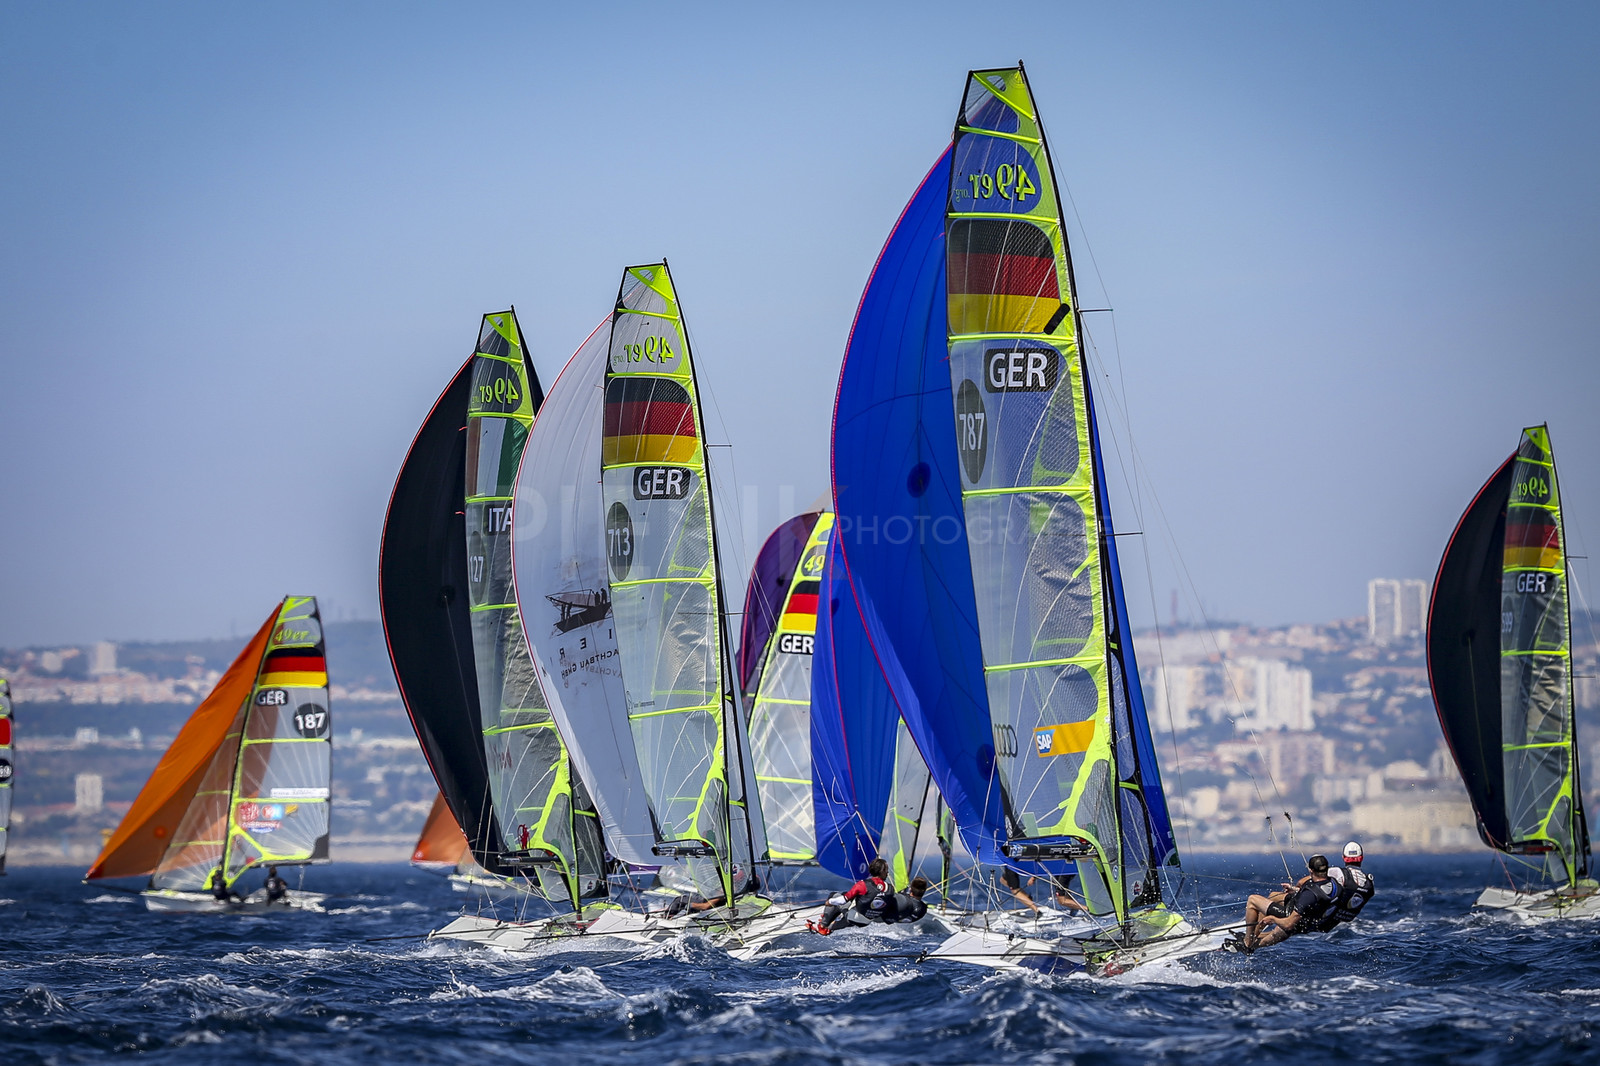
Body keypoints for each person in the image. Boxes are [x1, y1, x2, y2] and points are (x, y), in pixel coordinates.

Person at [1238, 854, 1338, 953]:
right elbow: (1317, 896)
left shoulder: (1309, 895)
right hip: (1311, 917)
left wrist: (1273, 919)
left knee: (1252, 900)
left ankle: (1247, 943)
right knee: (1275, 895)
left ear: (1311, 870)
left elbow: (1289, 924)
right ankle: (1255, 935)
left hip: (1293, 917)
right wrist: (1293, 889)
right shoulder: (1333, 883)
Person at [1305, 841, 1375, 933]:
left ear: (1343, 858)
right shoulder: (1369, 882)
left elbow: (1310, 879)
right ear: (1362, 858)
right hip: (1342, 922)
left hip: (1321, 920)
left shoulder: (1337, 872)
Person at [809, 858, 891, 934]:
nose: (888, 873)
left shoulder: (862, 884)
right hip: (866, 921)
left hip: (853, 917)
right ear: (881, 871)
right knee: (853, 911)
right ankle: (829, 928)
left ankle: (822, 925)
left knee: (834, 896)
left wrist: (829, 902)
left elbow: (843, 900)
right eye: (886, 870)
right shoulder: (890, 888)